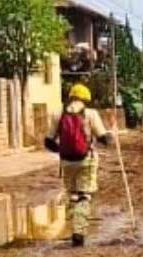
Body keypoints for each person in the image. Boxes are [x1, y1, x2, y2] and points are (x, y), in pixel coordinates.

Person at [45, 83, 113, 247]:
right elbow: (103, 138)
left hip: (67, 162)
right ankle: (79, 231)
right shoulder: (90, 114)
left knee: (72, 195)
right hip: (86, 161)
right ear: (86, 98)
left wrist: (62, 151)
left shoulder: (58, 113)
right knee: (84, 195)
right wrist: (111, 134)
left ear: (71, 96)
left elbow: (48, 141)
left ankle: (72, 227)